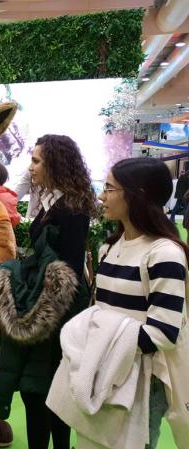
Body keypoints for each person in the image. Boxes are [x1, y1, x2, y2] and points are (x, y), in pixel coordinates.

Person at [0, 134, 97, 449]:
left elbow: (69, 269)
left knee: (42, 391)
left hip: (56, 313)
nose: (30, 167)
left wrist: (40, 309)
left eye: (36, 160)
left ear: (54, 164)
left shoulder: (71, 208)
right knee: (43, 390)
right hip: (48, 306)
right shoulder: (56, 201)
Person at [94, 157, 188, 448]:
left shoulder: (164, 254)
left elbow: (164, 332)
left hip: (143, 380)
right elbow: (99, 310)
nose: (102, 196)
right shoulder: (109, 247)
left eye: (109, 188)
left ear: (138, 195)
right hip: (103, 370)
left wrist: (102, 343)